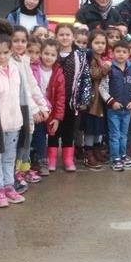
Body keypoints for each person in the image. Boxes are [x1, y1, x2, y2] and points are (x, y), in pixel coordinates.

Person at [0, 29, 29, 208]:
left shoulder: (16, 69)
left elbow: (22, 96)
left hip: (15, 122)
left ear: (11, 52)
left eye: (5, 52)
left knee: (9, 157)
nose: (1, 57)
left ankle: (9, 186)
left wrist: (27, 120)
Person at [8, 23, 50, 188]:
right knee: (19, 144)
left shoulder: (23, 60)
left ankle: (24, 170)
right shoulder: (10, 62)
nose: (20, 44)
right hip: (18, 110)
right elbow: (21, 90)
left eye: (23, 41)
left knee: (27, 142)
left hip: (28, 108)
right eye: (16, 40)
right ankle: (14, 174)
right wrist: (34, 109)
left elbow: (32, 85)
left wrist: (43, 106)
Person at [47, 23, 91, 172]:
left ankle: (67, 159)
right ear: (56, 36)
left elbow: (85, 77)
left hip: (72, 102)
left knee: (69, 131)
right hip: (53, 100)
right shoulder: (51, 53)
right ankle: (51, 159)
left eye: (67, 35)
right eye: (61, 34)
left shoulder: (80, 55)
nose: (64, 37)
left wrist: (84, 99)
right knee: (53, 131)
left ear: (73, 37)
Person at [99, 40, 131, 171]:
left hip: (127, 110)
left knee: (124, 135)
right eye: (118, 51)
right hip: (113, 110)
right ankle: (115, 158)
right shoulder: (110, 69)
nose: (121, 54)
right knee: (114, 135)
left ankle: (123, 155)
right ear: (112, 53)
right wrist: (112, 102)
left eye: (124, 52)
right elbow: (102, 88)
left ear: (129, 54)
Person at [30, 38, 65, 177]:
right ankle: (34, 162)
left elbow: (60, 98)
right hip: (35, 109)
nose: (48, 57)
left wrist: (57, 117)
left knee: (43, 136)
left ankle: (42, 161)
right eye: (46, 53)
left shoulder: (58, 73)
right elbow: (31, 90)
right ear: (40, 53)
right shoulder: (33, 69)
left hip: (50, 111)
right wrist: (35, 110)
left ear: (57, 57)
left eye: (52, 55)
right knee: (34, 135)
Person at [82, 30, 110, 169]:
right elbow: (93, 74)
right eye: (97, 43)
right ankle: (88, 152)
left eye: (103, 43)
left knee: (99, 127)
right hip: (92, 100)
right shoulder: (89, 58)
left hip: (101, 100)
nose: (100, 46)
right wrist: (105, 69)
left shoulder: (101, 59)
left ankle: (97, 149)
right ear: (90, 43)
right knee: (91, 128)